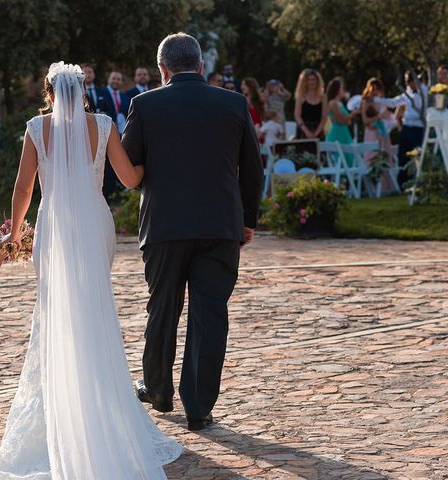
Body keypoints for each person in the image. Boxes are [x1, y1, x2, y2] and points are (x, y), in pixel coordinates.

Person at [0, 62, 183, 479]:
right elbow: (129, 179)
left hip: (54, 228)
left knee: (57, 318)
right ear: (83, 92)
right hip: (93, 225)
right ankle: (101, 411)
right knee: (94, 314)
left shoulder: (37, 129)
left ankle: (64, 411)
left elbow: (23, 188)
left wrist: (15, 235)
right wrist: (155, 165)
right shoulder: (105, 124)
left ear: (50, 94)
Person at [122, 33, 263, 432]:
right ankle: (199, 407)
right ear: (201, 66)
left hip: (165, 226)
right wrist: (247, 220)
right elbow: (253, 169)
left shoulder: (144, 105)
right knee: (210, 314)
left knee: (162, 306)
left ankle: (158, 389)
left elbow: (131, 168)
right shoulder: (233, 103)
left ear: (162, 69)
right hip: (220, 226)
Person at [374, 70, 428, 185]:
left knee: (419, 157)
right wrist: (375, 100)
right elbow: (393, 102)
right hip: (407, 128)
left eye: (410, 81)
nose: (408, 84)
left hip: (419, 129)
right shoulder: (407, 93)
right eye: (407, 81)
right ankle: (403, 183)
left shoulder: (424, 91)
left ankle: (420, 182)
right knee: (403, 157)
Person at [98, 71, 130, 200]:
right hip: (105, 133)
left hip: (122, 133)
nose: (116, 81)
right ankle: (107, 193)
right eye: (114, 78)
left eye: (119, 79)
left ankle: (118, 193)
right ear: (108, 79)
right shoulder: (101, 93)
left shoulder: (125, 97)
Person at [325, 77, 359, 165]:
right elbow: (341, 120)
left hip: (344, 133)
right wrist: (354, 113)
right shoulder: (333, 103)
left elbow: (347, 121)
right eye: (342, 88)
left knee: (349, 158)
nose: (344, 90)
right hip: (337, 134)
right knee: (341, 160)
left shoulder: (340, 103)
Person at [294, 69, 327, 139]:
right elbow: (297, 115)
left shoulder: (323, 97)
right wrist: (307, 132)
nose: (311, 82)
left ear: (318, 81)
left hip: (318, 130)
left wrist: (316, 133)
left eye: (314, 79)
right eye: (309, 80)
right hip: (303, 131)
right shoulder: (300, 96)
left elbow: (324, 117)